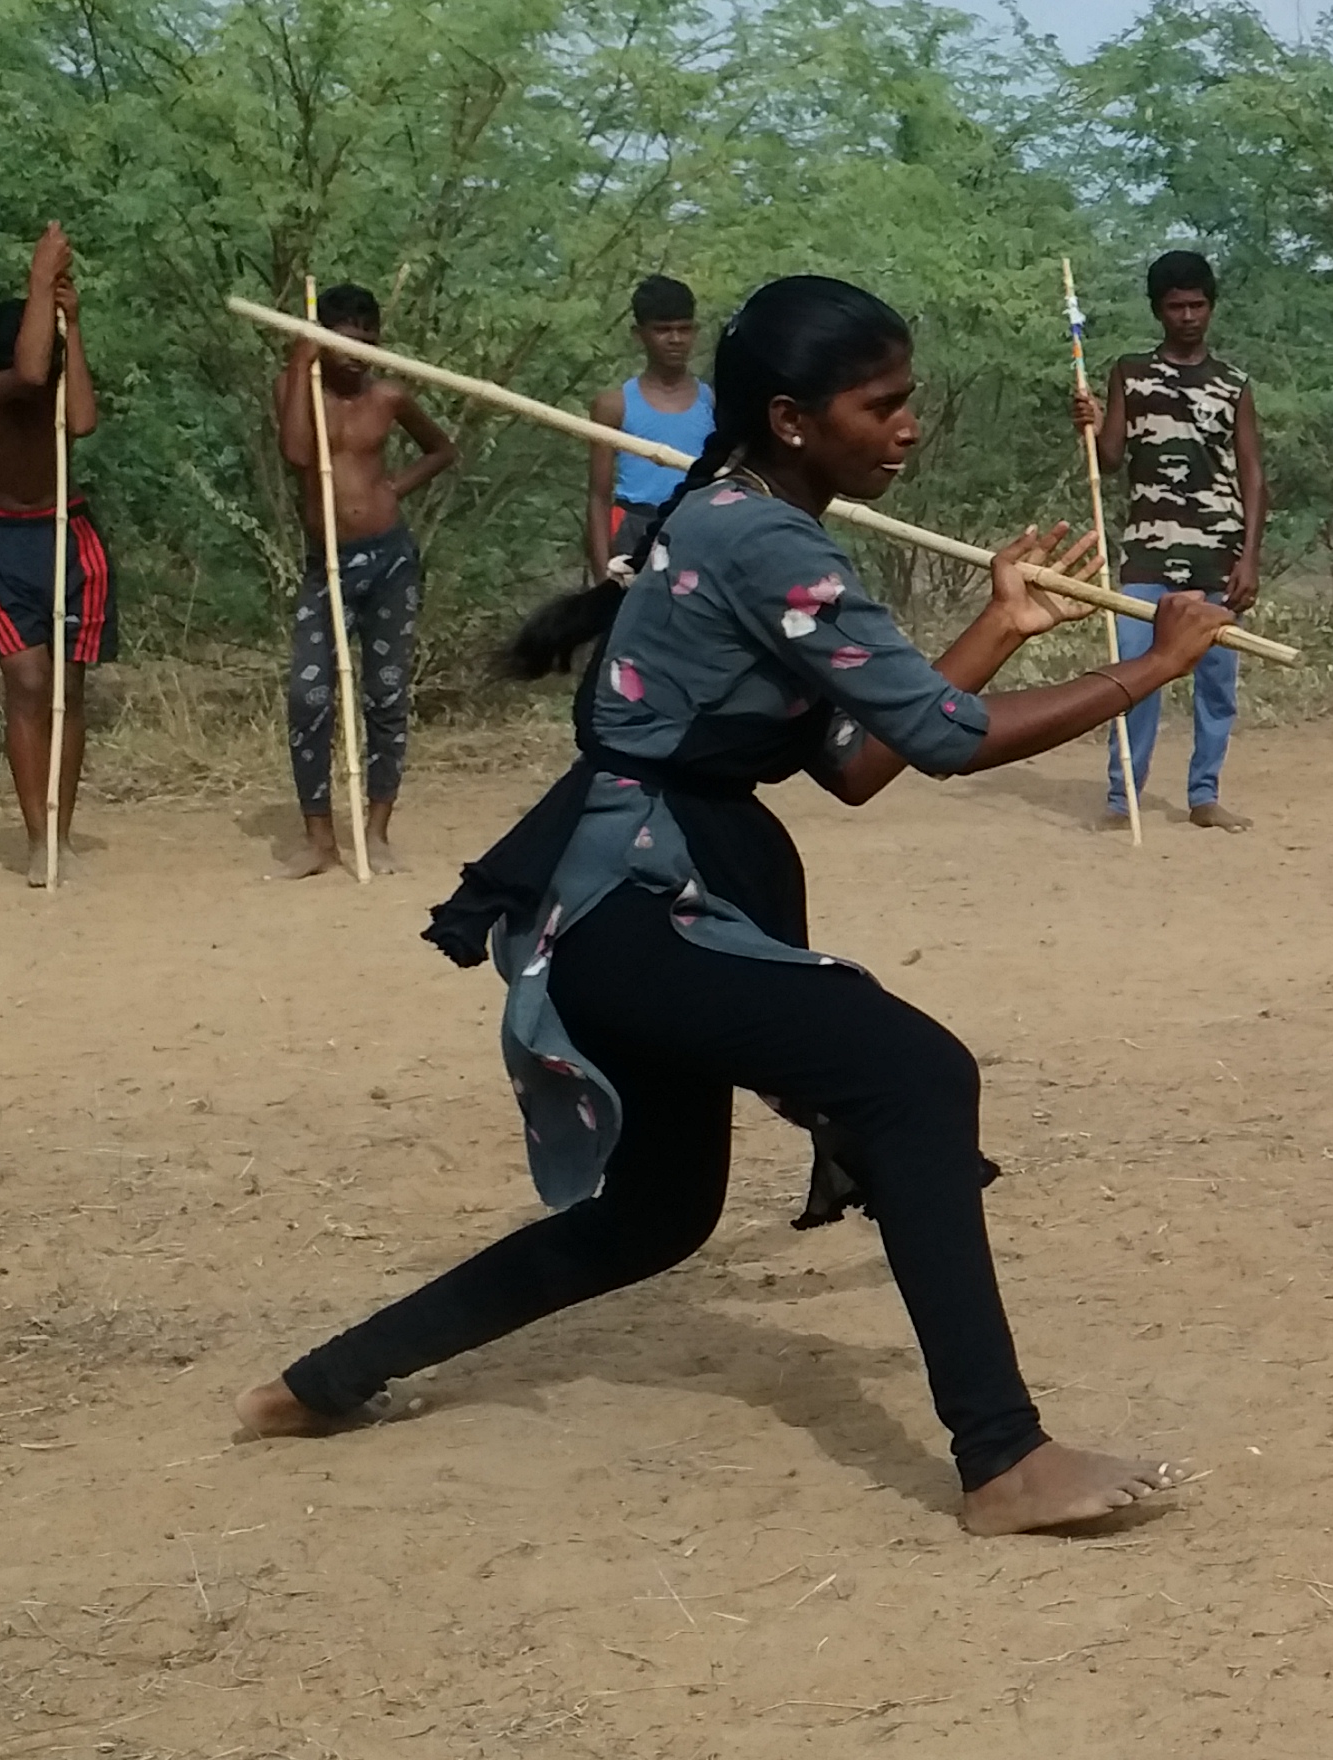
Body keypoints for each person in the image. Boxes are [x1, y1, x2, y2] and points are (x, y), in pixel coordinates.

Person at [236, 276, 1228, 1535]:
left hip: (649, 896)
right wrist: (1156, 662)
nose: (908, 425)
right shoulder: (760, 540)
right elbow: (945, 743)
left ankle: (316, 1386)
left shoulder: (742, 524)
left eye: (906, 398)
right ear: (794, 420)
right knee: (912, 1078)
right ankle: (1004, 1461)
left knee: (655, 1215)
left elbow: (861, 764)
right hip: (640, 903)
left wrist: (998, 626)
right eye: (884, 404)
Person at [271, 281, 462, 878]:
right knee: (308, 698)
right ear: (322, 339)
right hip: (327, 563)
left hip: (390, 561)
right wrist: (300, 360)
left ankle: (376, 833)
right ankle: (319, 840)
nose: (355, 351)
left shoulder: (389, 395)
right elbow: (300, 456)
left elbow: (440, 449)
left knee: (385, 694)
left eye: (366, 339)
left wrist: (392, 488)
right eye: (341, 339)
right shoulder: (297, 388)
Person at [1087, 249, 1265, 830]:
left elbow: (1251, 472)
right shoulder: (1130, 373)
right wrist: (1089, 421)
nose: (1188, 316)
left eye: (1197, 305)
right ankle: (1124, 800)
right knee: (1135, 676)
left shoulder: (1233, 384)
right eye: (1175, 306)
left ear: (1211, 308)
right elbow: (1110, 459)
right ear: (1157, 311)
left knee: (1216, 684)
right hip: (1147, 551)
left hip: (1215, 555)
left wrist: (1249, 557)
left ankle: (1205, 796)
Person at [0, 228, 106, 883]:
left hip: (68, 533)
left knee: (68, 687)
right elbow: (29, 370)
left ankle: (61, 835)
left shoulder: (54, 382)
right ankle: (37, 839)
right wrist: (39, 278)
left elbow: (82, 421)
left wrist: (72, 325)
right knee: (27, 681)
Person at [585, 274, 706, 571]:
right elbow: (598, 497)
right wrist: (603, 577)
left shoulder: (713, 403)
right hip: (633, 531)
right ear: (639, 334)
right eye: (663, 330)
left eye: (683, 329)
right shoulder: (613, 406)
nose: (675, 339)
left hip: (698, 528)